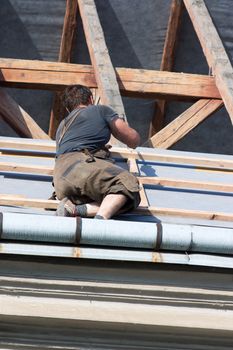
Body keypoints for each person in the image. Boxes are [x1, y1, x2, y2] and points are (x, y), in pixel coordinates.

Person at [53, 84, 141, 219]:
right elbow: (133, 140)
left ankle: (75, 209)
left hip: (60, 180)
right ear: (91, 99)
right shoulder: (100, 110)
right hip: (80, 167)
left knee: (110, 199)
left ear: (67, 107)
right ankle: (98, 225)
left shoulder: (61, 127)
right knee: (127, 185)